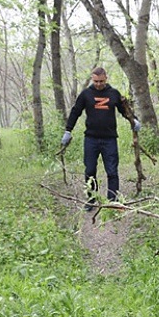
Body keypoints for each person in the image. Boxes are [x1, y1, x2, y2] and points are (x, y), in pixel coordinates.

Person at [62, 67, 139, 210]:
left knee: (112, 171)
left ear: (106, 79)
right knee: (90, 170)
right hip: (91, 139)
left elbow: (125, 110)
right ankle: (91, 199)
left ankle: (113, 201)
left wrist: (134, 120)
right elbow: (75, 112)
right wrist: (68, 130)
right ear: (92, 79)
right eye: (96, 81)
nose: (98, 84)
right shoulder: (86, 94)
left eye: (101, 81)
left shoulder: (114, 94)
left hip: (109, 139)